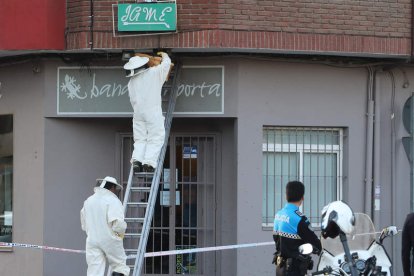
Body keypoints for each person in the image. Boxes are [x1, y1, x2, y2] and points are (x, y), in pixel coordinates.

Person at [124, 51, 172, 174]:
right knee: (156, 137)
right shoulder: (153, 73)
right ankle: (149, 162)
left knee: (140, 139)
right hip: (152, 111)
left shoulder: (131, 82)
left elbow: (132, 100)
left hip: (138, 112)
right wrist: (165, 55)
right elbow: (166, 65)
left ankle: (136, 160)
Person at [80, 176, 130, 276]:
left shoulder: (88, 201)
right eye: (115, 188)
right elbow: (118, 224)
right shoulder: (113, 200)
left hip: (92, 240)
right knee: (119, 266)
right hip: (110, 238)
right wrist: (119, 235)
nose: (115, 191)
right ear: (112, 187)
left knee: (94, 271)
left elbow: (84, 225)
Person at [273, 181, 322, 276]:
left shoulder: (278, 215)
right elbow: (313, 241)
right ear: (302, 197)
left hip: (280, 268)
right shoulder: (299, 218)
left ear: (286, 196)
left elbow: (276, 239)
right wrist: (322, 249)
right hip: (293, 269)